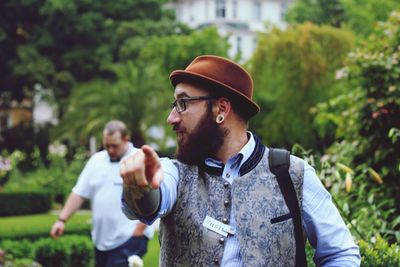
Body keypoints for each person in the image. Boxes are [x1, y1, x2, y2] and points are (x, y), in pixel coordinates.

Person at [119, 55, 361, 266]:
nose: (171, 118)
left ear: (221, 109)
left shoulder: (293, 174)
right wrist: (138, 186)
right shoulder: (175, 172)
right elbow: (149, 203)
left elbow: (341, 254)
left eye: (183, 103)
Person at [50, 120, 154, 267]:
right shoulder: (96, 160)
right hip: (101, 241)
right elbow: (79, 193)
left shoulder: (139, 158)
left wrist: (139, 230)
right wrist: (62, 220)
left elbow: (153, 196)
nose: (110, 150)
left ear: (126, 139)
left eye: (114, 146)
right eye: (107, 145)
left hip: (129, 238)